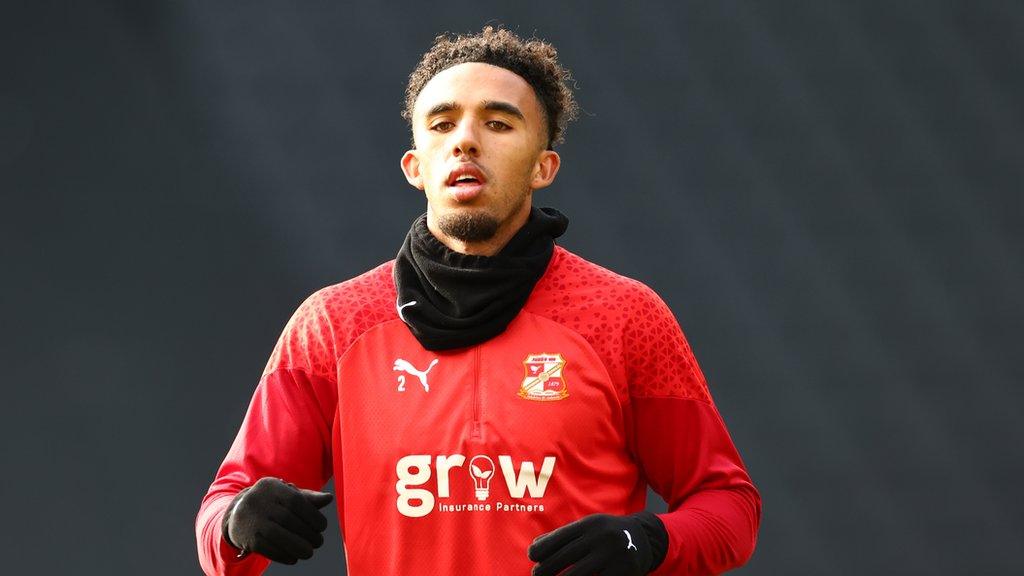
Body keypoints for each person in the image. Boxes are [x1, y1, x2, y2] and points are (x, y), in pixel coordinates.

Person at [196, 26, 761, 576]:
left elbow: (729, 504)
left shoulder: (622, 315)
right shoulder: (333, 324)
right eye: (442, 124)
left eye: (497, 123)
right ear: (415, 167)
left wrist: (650, 541)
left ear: (544, 167)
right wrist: (236, 524)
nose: (466, 140)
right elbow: (220, 520)